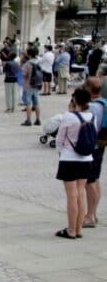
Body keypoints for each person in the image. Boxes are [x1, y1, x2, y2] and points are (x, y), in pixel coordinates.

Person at [55, 87, 94, 239]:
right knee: (81, 193)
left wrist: (60, 152)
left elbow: (59, 139)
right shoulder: (91, 116)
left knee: (72, 195)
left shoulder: (68, 117)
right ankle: (79, 228)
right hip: (86, 159)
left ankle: (71, 229)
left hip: (69, 159)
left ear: (75, 100)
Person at [84, 78, 104, 228]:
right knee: (95, 180)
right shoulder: (104, 103)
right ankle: (93, 213)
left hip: (91, 147)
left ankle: (90, 215)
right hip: (101, 144)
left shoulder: (91, 107)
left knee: (89, 182)